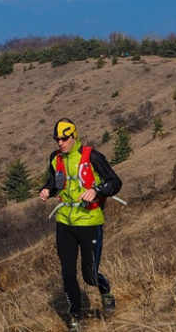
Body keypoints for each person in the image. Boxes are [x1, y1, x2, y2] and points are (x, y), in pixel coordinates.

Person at [39, 118, 122, 331]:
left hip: (89, 221)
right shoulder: (55, 158)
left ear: (74, 136)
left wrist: (97, 190)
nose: (60, 143)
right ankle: (75, 317)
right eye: (56, 139)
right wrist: (47, 190)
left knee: (90, 274)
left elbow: (115, 182)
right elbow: (56, 182)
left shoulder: (92, 156)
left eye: (64, 138)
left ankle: (105, 291)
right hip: (64, 221)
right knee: (67, 272)